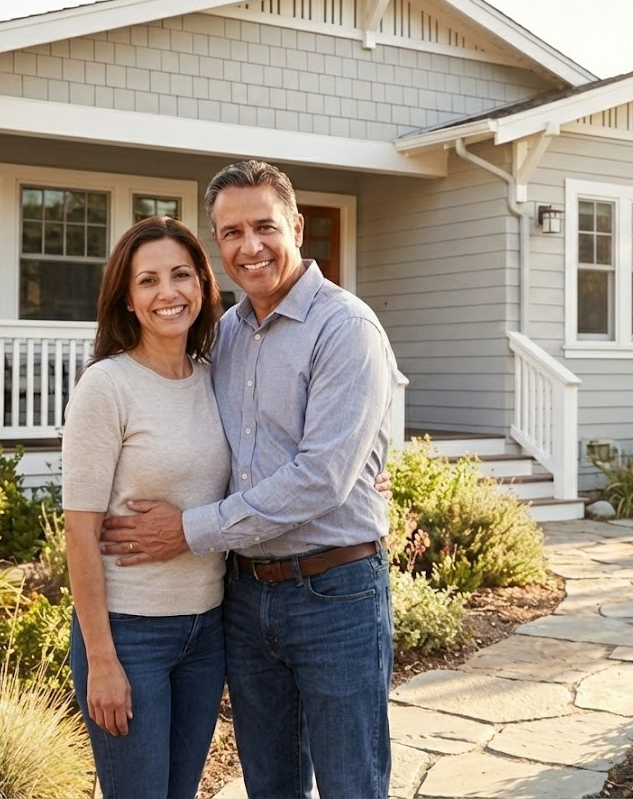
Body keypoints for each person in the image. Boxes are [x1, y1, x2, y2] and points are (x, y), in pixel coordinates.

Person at [101, 159, 399, 798]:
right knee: (270, 784)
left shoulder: (344, 328)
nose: (249, 246)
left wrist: (187, 529)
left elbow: (321, 476)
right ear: (218, 244)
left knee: (353, 785)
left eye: (263, 226)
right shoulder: (225, 336)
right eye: (230, 233)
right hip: (244, 595)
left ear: (295, 225)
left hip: (335, 591)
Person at [61, 216, 230, 799]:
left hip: (207, 631)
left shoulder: (216, 378)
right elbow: (79, 535)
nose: (168, 293)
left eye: (181, 275)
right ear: (128, 300)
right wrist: (102, 661)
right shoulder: (106, 387)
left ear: (204, 288)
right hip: (130, 636)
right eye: (149, 280)